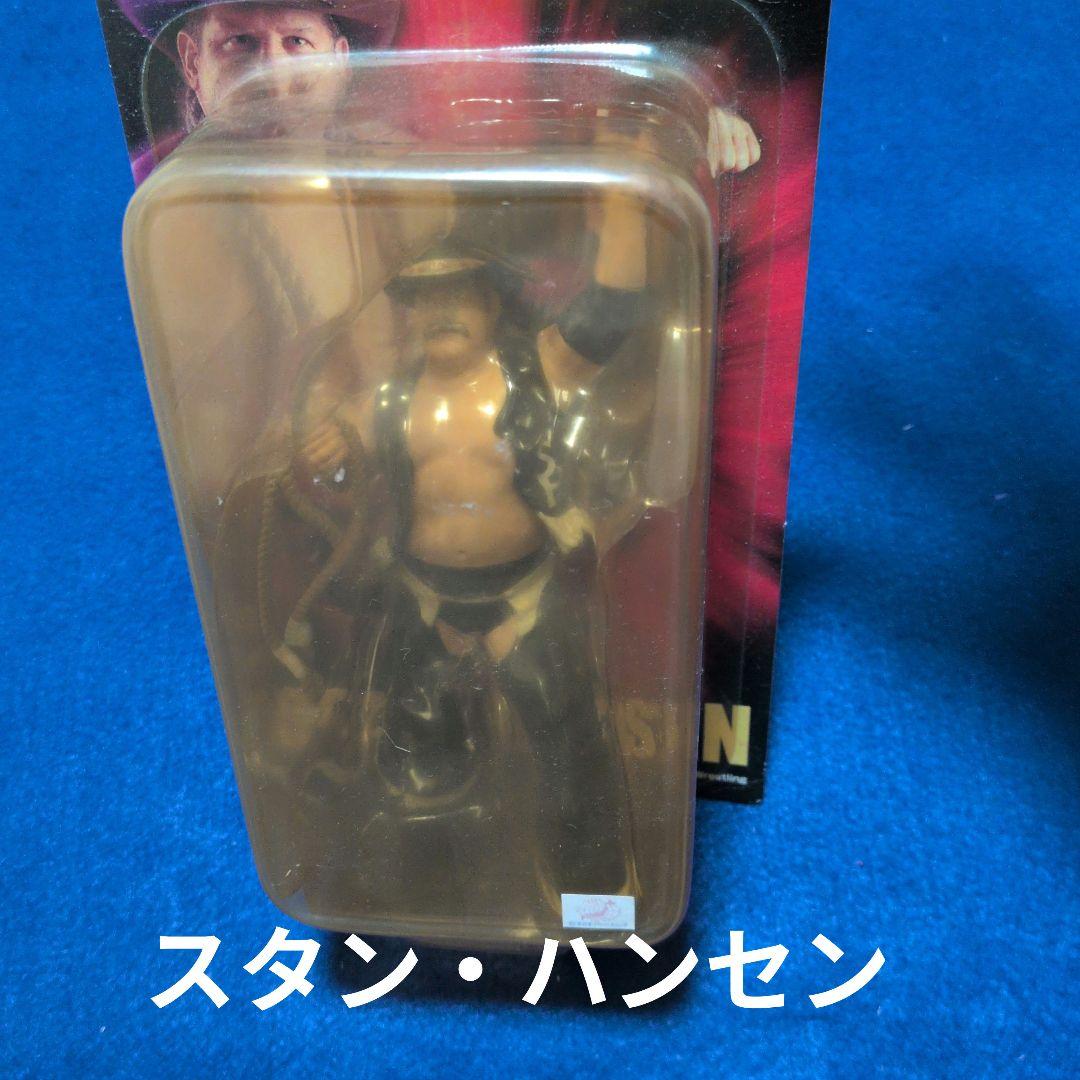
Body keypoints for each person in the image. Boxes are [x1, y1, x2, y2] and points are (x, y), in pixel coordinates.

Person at [294, 178, 652, 899]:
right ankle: (430, 886)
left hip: (526, 594)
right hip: (427, 598)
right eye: (425, 297)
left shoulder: (540, 369)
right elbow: (333, 457)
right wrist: (328, 449)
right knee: (416, 751)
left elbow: (613, 307)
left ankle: (592, 895)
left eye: (458, 292)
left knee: (567, 733)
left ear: (493, 302)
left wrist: (627, 194)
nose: (441, 310)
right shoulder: (388, 400)